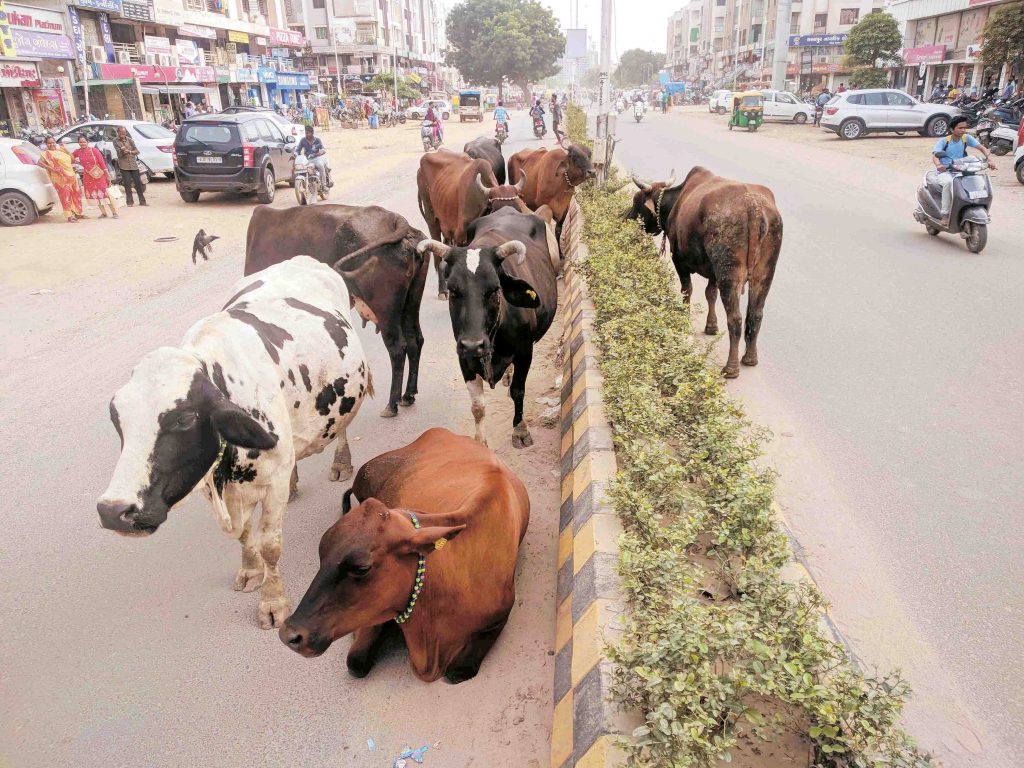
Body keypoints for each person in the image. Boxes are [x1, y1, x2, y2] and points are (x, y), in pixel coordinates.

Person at [931, 115, 996, 228]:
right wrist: (938, 165)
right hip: (946, 172)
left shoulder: (966, 138)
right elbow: (935, 155)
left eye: (964, 128)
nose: (963, 130)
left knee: (975, 182)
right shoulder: (944, 141)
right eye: (960, 128)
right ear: (952, 129)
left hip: (961, 169)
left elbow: (982, 148)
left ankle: (978, 208)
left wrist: (990, 159)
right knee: (948, 183)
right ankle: (945, 214)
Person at [38, 136, 84, 222]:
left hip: (71, 175)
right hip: (60, 179)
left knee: (76, 194)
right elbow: (39, 163)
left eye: (53, 142)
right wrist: (51, 169)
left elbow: (73, 160)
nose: (51, 144)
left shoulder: (61, 150)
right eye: (49, 143)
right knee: (65, 197)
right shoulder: (45, 153)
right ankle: (69, 216)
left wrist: (66, 150)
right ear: (46, 144)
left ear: (55, 142)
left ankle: (78, 213)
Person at [72, 134, 117, 219]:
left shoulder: (94, 150)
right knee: (96, 195)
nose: (82, 143)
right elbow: (70, 158)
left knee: (105, 193)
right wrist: (76, 162)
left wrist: (107, 174)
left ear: (87, 142)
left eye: (84, 142)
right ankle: (104, 213)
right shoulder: (77, 152)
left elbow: (102, 162)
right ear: (78, 143)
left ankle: (114, 213)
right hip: (88, 177)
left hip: (99, 176)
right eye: (80, 142)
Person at [113, 125, 147, 207]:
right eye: (121, 133)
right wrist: (123, 151)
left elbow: (137, 151)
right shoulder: (115, 141)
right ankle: (129, 202)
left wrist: (129, 151)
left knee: (138, 183)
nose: (123, 134)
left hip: (133, 164)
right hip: (124, 165)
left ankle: (142, 201)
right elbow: (120, 153)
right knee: (127, 184)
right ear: (118, 133)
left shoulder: (130, 140)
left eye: (124, 133)